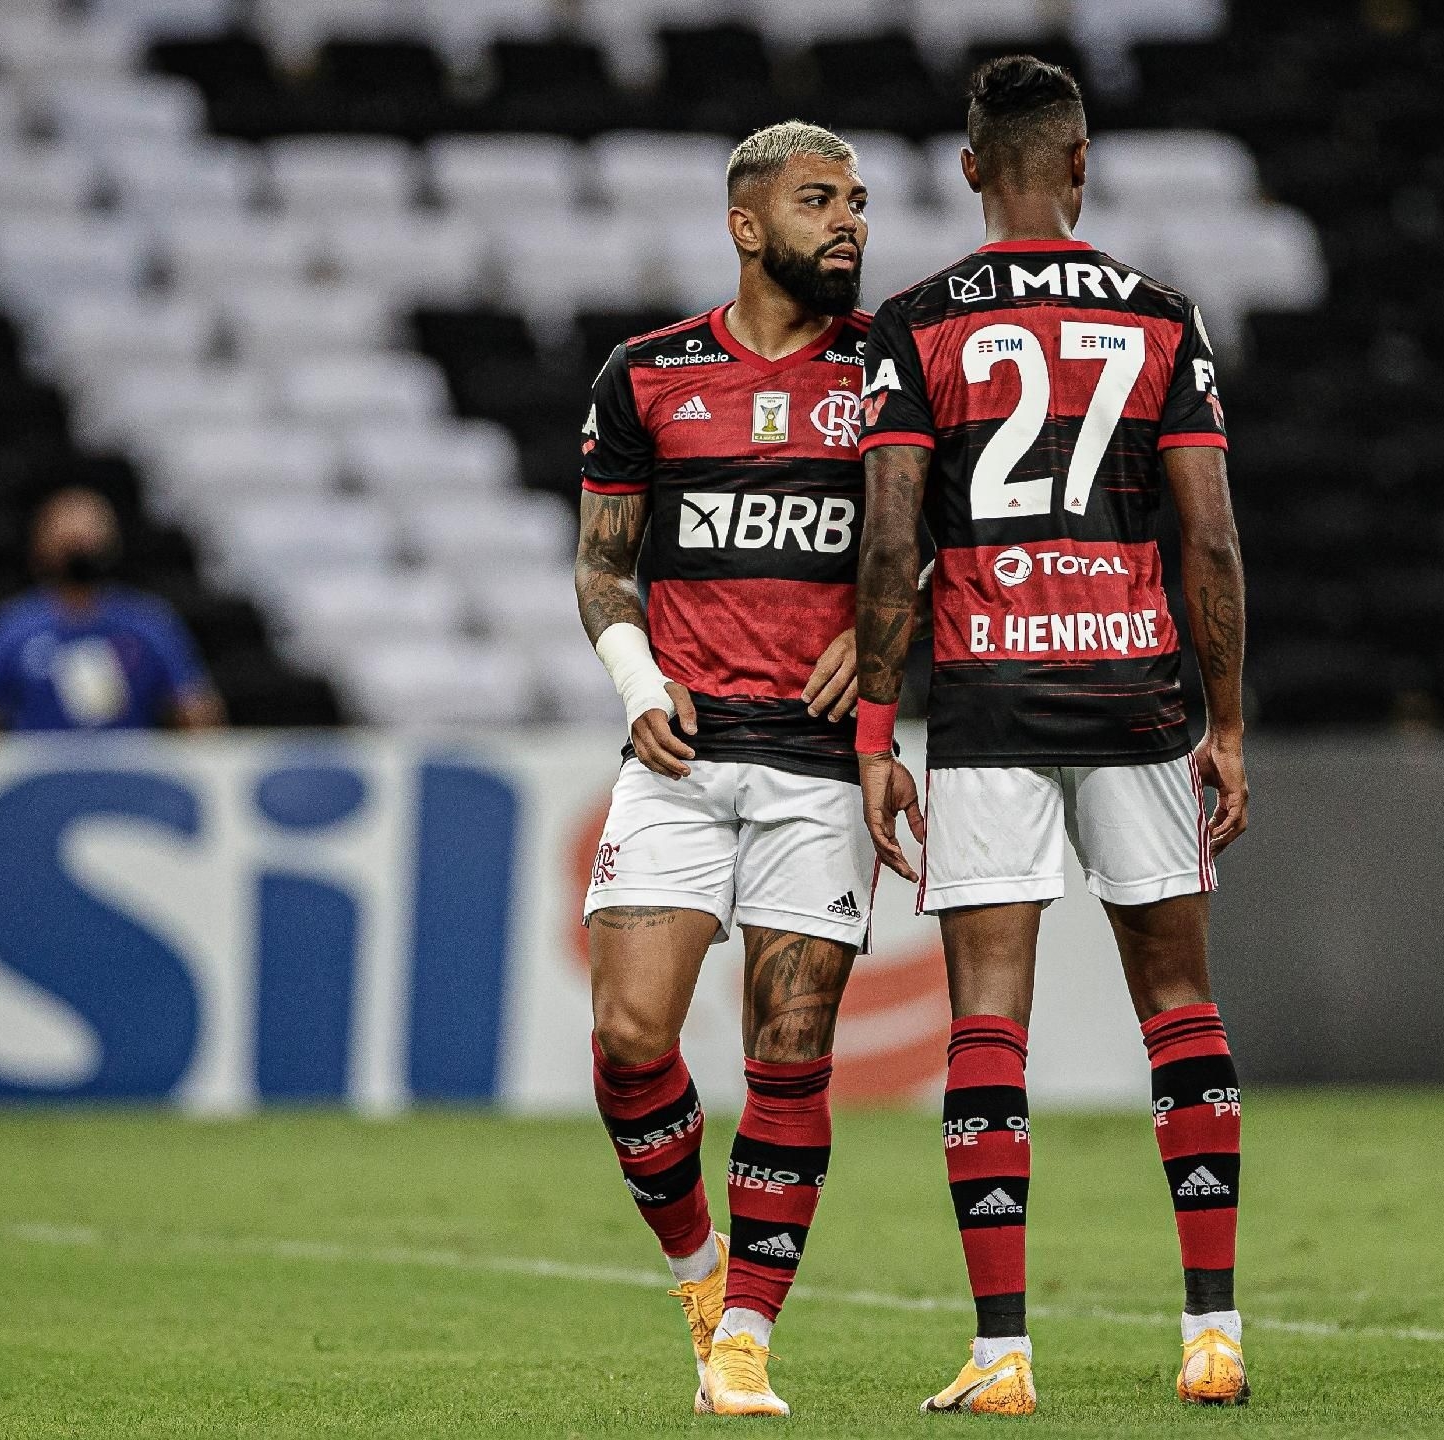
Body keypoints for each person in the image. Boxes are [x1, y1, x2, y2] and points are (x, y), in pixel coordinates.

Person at [851, 57, 1253, 1414]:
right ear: (1080, 163)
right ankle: (1214, 1333)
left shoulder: (915, 326)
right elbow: (1209, 538)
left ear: (971, 170)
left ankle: (1004, 1354)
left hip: (989, 698)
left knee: (988, 1023)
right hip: (1139, 693)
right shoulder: (1159, 317)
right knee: (1181, 1010)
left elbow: (894, 536)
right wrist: (1231, 725)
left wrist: (869, 727)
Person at [574, 121, 881, 1419]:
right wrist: (643, 689)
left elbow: (945, 539)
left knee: (791, 1048)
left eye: (859, 201)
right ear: (749, 227)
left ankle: (745, 1340)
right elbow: (601, 564)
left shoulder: (888, 376)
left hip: (819, 767)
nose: (851, 223)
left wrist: (883, 634)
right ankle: (700, 1277)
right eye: (821, 201)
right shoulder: (646, 375)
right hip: (682, 756)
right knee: (630, 1034)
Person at [0, 488, 223, 733]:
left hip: (126, 777)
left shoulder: (148, 622)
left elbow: (198, 710)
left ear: (112, 542)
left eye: (89, 537)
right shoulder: (11, 626)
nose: (79, 548)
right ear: (40, 546)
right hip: (37, 779)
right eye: (68, 541)